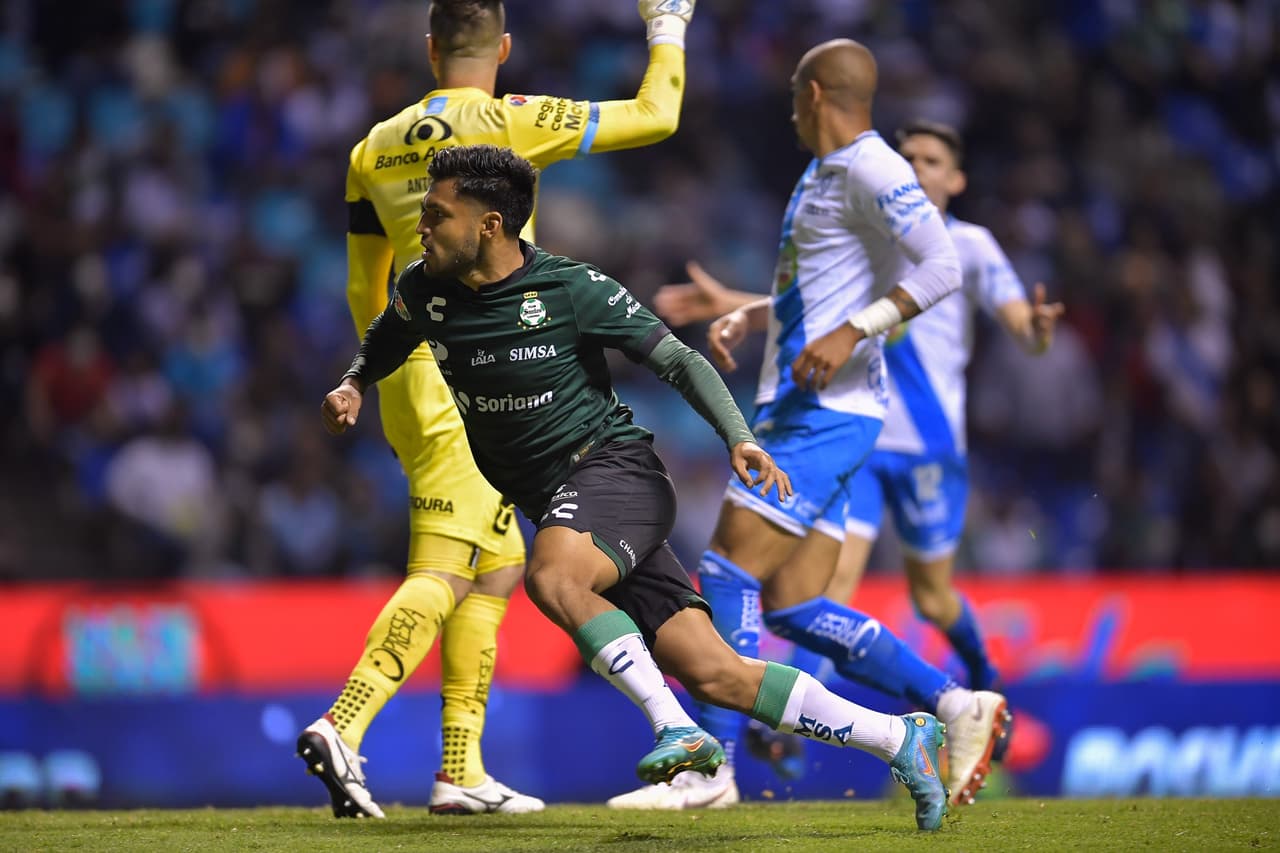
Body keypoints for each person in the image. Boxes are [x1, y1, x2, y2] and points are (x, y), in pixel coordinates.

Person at [323, 143, 952, 832]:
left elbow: (678, 359)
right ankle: (900, 738)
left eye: (438, 215)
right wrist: (356, 379)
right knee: (718, 671)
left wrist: (737, 435)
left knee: (554, 578)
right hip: (568, 507)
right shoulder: (424, 287)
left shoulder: (569, 288)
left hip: (614, 473)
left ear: (491, 224)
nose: (423, 226)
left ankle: (676, 728)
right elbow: (389, 333)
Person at [296, 0, 700, 819]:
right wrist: (667, 24)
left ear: (429, 48)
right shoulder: (505, 123)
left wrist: (374, 375)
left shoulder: (371, 147)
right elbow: (660, 114)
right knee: (446, 563)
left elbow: (361, 285)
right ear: (504, 47)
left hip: (411, 370)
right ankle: (343, 724)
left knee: (498, 559)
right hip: (481, 372)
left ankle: (460, 769)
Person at [607, 41, 1009, 812]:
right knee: (793, 603)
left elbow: (940, 266)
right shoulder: (824, 175)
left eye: (795, 95)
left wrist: (854, 330)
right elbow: (824, 289)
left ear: (816, 93)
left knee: (726, 572)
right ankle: (955, 705)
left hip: (827, 415)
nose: (791, 108)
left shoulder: (872, 166)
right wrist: (752, 312)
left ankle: (712, 768)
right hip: (814, 410)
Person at [653, 119, 1064, 780]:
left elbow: (1020, 321)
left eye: (933, 158)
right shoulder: (875, 236)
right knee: (818, 587)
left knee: (930, 599)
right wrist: (735, 303)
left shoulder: (966, 246)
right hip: (854, 440)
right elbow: (811, 307)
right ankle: (769, 732)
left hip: (929, 451)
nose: (918, 166)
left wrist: (1036, 333)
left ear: (956, 179)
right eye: (909, 157)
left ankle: (978, 688)